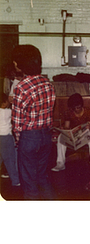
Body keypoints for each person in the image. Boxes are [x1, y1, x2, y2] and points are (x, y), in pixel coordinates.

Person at [12, 44, 56, 200]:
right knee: (42, 177)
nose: (14, 63)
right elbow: (50, 112)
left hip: (29, 137)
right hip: (45, 136)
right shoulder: (47, 84)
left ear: (22, 63)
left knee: (29, 182)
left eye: (16, 61)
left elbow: (17, 122)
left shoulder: (21, 87)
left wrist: (19, 140)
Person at [51, 93, 90, 172]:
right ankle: (60, 163)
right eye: (75, 108)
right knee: (60, 137)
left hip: (84, 137)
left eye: (78, 107)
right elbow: (67, 126)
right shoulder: (69, 112)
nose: (77, 109)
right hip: (73, 138)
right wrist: (64, 129)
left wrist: (88, 127)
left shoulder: (88, 112)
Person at [0, 93, 20, 186]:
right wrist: (13, 102)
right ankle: (15, 181)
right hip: (6, 138)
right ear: (4, 103)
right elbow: (16, 111)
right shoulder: (8, 112)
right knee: (10, 159)